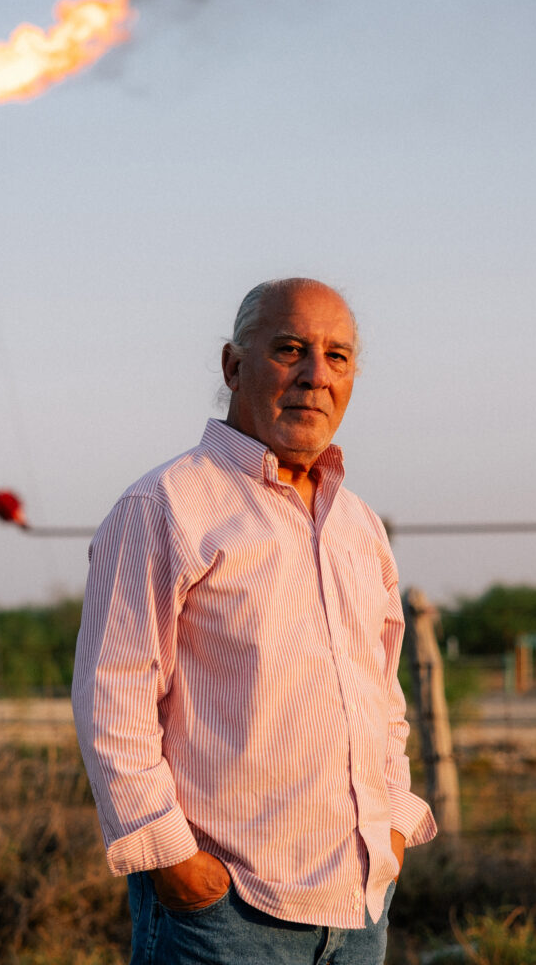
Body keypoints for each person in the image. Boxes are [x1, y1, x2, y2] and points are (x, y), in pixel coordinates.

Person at [72, 278, 436, 965]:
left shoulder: (358, 527)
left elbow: (381, 697)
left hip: (359, 909)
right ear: (233, 367)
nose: (314, 376)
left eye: (337, 357)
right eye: (290, 349)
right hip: (225, 914)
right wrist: (173, 859)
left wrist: (391, 822)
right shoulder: (164, 506)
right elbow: (111, 697)